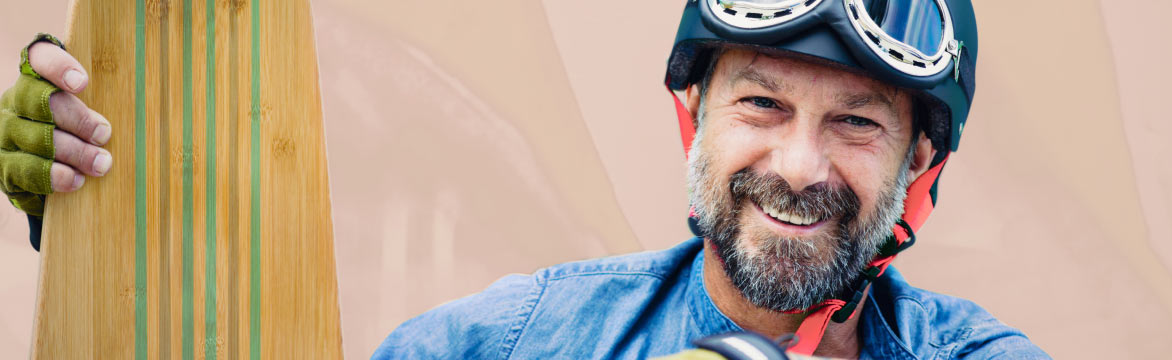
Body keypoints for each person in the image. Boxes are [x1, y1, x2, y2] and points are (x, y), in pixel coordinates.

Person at [1, 1, 1049, 358]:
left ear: (919, 167)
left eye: (856, 124)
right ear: (692, 119)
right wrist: (120, 225)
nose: (797, 164)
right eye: (761, 104)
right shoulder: (512, 342)